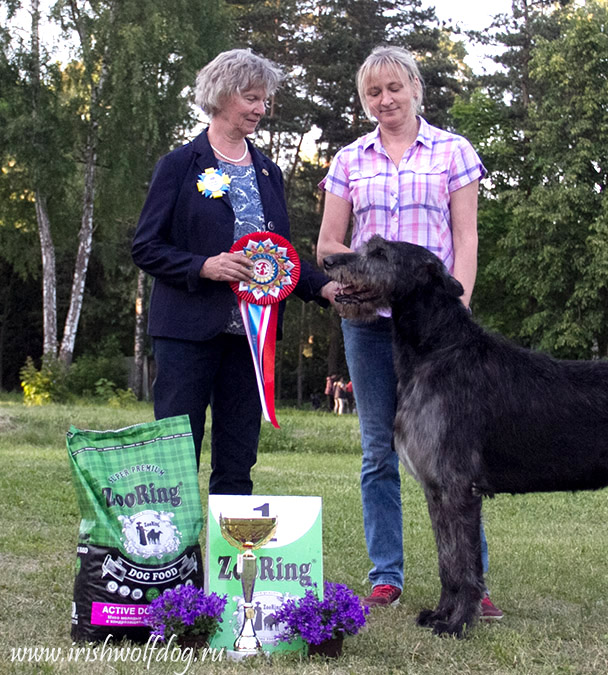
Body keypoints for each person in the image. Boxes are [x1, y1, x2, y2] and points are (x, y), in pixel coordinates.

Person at [316, 45, 501, 619]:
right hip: (372, 328)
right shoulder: (349, 159)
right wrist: (346, 281)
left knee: (458, 456)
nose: (384, 100)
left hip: (438, 327)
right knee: (378, 451)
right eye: (373, 92)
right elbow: (328, 245)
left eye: (394, 87)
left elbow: (465, 239)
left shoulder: (453, 151)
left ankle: (473, 583)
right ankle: (386, 575)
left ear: (416, 88)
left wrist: (460, 302)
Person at [132, 48, 338, 496]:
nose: (261, 109)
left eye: (265, 100)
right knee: (175, 459)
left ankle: (227, 566)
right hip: (186, 333)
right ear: (222, 96)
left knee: (238, 459)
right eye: (251, 98)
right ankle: (176, 566)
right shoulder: (179, 165)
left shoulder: (269, 172)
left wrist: (327, 289)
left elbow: (279, 258)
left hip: (251, 340)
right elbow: (145, 248)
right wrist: (202, 266)